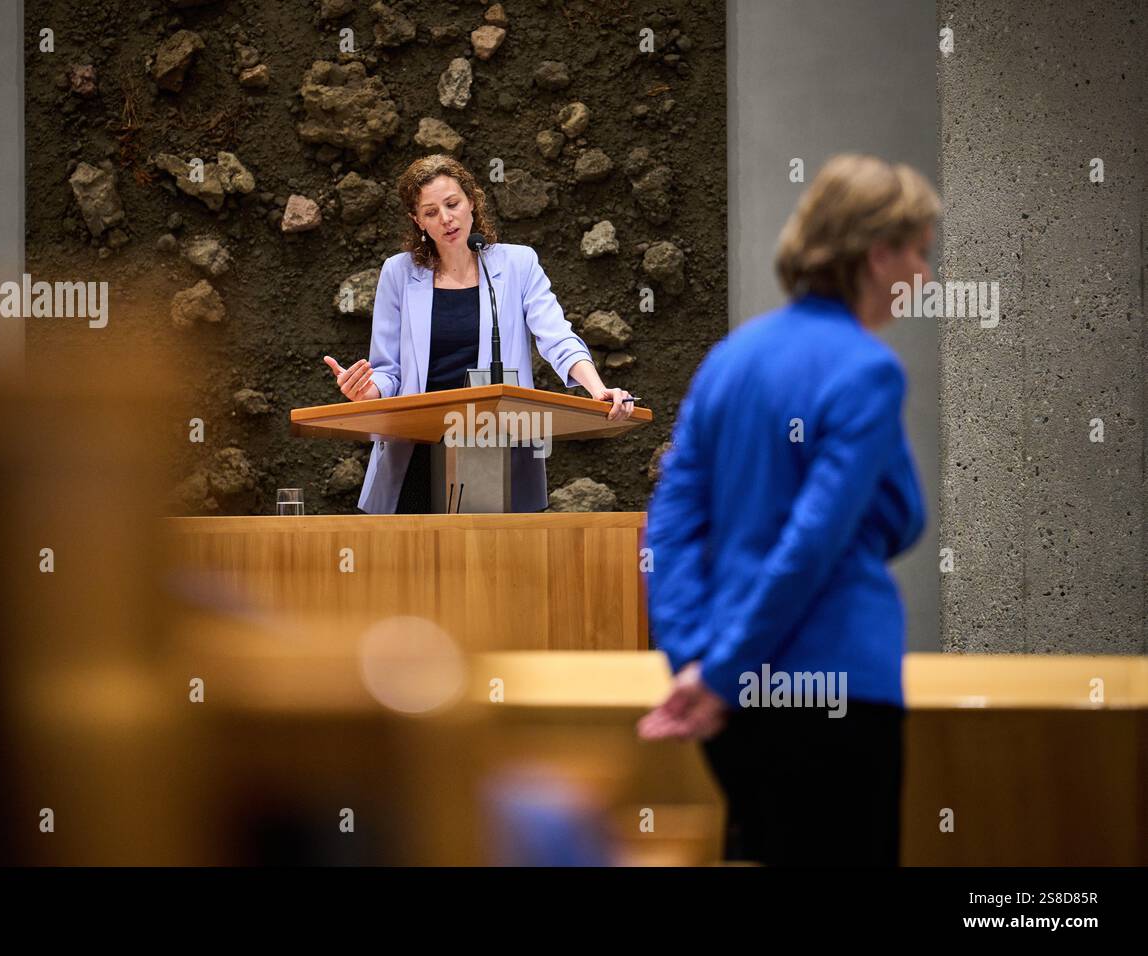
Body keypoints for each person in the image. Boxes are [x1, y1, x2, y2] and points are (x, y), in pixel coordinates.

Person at [637, 154, 940, 867]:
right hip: (835, 678)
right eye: (919, 254)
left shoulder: (730, 359)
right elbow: (814, 541)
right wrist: (722, 672)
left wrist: (696, 660)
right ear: (878, 253)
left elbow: (672, 525)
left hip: (730, 697)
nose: (925, 277)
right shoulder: (867, 369)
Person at [322, 154, 633, 514]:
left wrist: (598, 389)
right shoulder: (399, 273)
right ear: (417, 221)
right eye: (431, 212)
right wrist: (367, 390)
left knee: (487, 563)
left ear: (472, 200)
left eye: (452, 204)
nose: (446, 218)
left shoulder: (518, 264)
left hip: (492, 442)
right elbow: (388, 371)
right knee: (420, 565)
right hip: (417, 445)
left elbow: (556, 337)